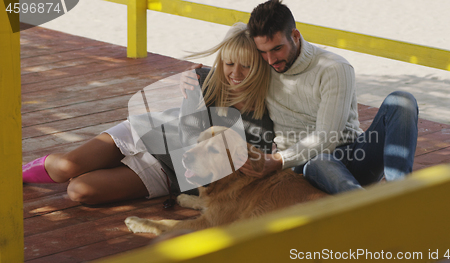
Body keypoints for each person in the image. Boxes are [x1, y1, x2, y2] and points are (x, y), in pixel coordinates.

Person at [22, 22, 274, 205]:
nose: (235, 73)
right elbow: (187, 132)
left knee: (80, 190)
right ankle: (13, 174)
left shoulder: (264, 117)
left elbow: (201, 153)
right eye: (229, 63)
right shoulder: (203, 79)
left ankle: (104, 168)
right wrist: (193, 89)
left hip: (171, 171)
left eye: (246, 65)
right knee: (67, 166)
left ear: (260, 66)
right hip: (147, 132)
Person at [242, 0, 419, 194]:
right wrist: (201, 76)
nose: (270, 60)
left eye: (277, 49)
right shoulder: (262, 67)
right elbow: (232, 50)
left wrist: (278, 160)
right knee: (318, 160)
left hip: (354, 157)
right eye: (262, 51)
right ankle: (366, 207)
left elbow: (326, 139)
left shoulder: (334, 68)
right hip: (304, 166)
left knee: (402, 101)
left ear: (295, 36)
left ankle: (401, 194)